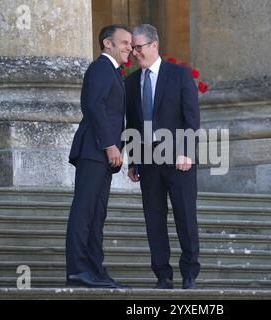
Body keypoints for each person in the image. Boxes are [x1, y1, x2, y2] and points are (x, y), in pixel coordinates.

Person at [125, 24, 201, 289]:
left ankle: (189, 273)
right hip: (147, 160)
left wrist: (187, 152)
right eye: (132, 48)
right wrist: (133, 159)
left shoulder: (179, 75)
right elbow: (132, 124)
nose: (134, 53)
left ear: (154, 45)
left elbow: (192, 119)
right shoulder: (131, 82)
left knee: (185, 216)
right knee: (154, 219)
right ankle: (162, 274)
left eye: (138, 47)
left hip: (178, 158)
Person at [65, 24, 132, 288]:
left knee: (96, 214)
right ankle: (77, 270)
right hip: (94, 151)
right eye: (124, 42)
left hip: (103, 155)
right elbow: (93, 106)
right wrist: (109, 144)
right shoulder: (101, 68)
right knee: (84, 212)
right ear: (107, 43)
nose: (130, 47)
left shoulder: (114, 72)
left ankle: (95, 270)